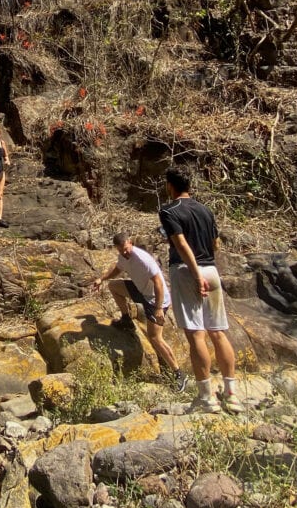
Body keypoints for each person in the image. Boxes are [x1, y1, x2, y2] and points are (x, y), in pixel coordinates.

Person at [159, 167, 241, 413]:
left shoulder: (168, 210)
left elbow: (181, 244)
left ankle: (206, 398)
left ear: (169, 186)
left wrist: (195, 274)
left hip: (188, 272)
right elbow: (215, 242)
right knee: (218, 332)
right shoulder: (205, 210)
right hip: (211, 270)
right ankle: (231, 394)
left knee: (196, 334)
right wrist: (205, 270)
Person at [92, 233, 188, 392]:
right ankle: (126, 320)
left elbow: (158, 283)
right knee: (114, 287)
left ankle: (179, 374)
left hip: (155, 298)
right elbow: (117, 269)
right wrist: (101, 279)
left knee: (155, 338)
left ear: (130, 243)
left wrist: (158, 309)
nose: (125, 253)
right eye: (121, 251)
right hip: (140, 290)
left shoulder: (142, 258)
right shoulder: (123, 256)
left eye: (126, 249)